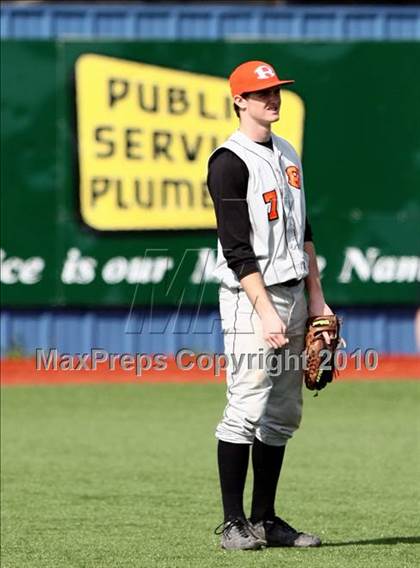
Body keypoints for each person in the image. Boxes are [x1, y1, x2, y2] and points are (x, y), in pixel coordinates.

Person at [207, 60, 333, 551]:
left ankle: (265, 520)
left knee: (282, 412)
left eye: (276, 91)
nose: (272, 99)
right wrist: (265, 312)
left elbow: (303, 232)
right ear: (239, 100)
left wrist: (316, 299)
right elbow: (237, 249)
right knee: (244, 406)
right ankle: (233, 524)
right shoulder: (228, 161)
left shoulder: (287, 152)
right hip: (250, 299)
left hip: (295, 292)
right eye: (261, 94)